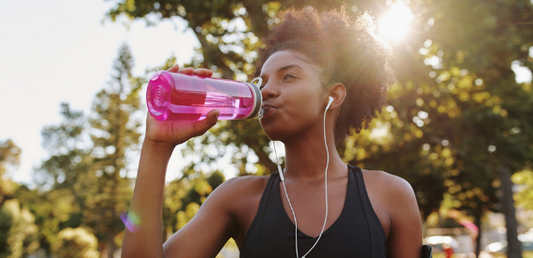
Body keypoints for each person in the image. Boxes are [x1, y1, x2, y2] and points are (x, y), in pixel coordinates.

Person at [122, 6, 423, 258]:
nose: (266, 91)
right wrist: (156, 146)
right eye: (261, 82)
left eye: (288, 76)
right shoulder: (237, 198)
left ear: (333, 95)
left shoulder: (390, 195)